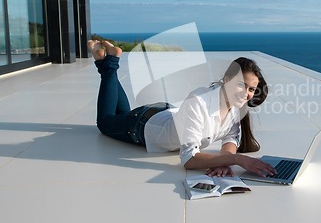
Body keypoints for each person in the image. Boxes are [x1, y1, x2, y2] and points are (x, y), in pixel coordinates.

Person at [88, 40, 276, 178]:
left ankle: (106, 61)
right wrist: (237, 160)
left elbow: (230, 138)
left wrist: (226, 160)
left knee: (121, 114)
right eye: (241, 85)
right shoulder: (200, 100)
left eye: (251, 89)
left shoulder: (235, 108)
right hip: (143, 125)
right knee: (105, 121)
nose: (247, 93)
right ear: (227, 80)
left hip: (163, 113)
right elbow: (189, 160)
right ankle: (109, 61)